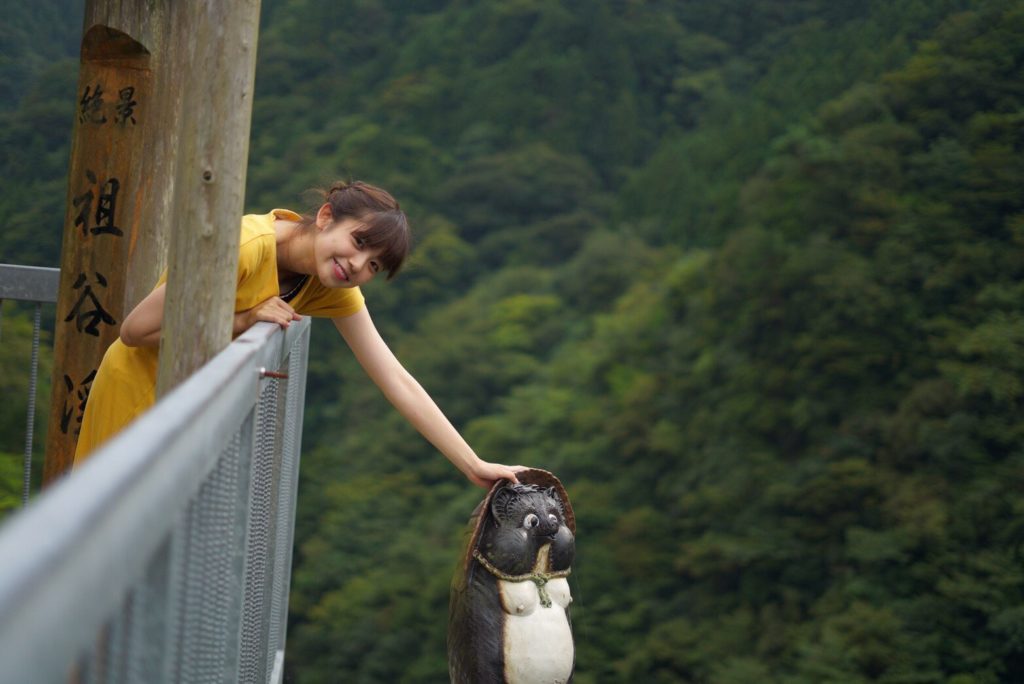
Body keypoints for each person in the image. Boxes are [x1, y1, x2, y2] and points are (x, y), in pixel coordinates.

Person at [73, 180, 524, 489]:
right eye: (360, 242)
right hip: (138, 396)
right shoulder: (246, 248)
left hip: (189, 409)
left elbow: (396, 379)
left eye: (373, 267)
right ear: (326, 216)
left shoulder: (326, 283)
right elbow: (135, 330)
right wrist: (244, 321)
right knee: (103, 547)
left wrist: (473, 465)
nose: (357, 265)